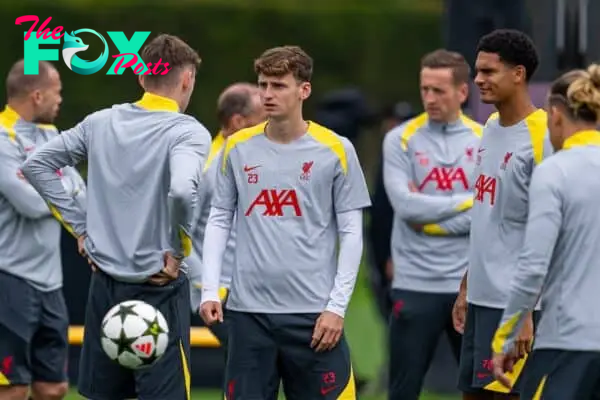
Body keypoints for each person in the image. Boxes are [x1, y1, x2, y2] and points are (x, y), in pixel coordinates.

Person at [21, 34, 211, 400]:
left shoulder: (100, 122)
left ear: (141, 77)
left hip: (104, 287)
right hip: (159, 287)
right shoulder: (187, 131)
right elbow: (183, 192)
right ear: (187, 79)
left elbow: (37, 164)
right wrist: (178, 250)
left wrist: (81, 227)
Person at [199, 45, 371, 399]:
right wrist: (209, 288)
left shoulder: (336, 149)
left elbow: (352, 233)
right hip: (248, 315)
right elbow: (219, 218)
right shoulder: (238, 146)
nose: (267, 94)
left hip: (313, 316)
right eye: (263, 85)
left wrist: (336, 308)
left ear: (303, 90)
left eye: (278, 85)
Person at [453, 29, 553, 399]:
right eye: (477, 71)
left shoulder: (543, 136)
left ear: (519, 74)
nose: (478, 79)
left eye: (488, 71)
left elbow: (548, 230)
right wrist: (467, 283)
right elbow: (488, 217)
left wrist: (527, 310)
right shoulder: (492, 128)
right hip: (482, 300)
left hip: (517, 305)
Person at [492, 65, 600, 400]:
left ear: (555, 115)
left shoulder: (555, 172)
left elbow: (533, 266)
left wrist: (504, 339)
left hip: (568, 342)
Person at [382, 49, 482, 400]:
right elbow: (406, 208)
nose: (429, 98)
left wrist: (429, 219)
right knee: (403, 391)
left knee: (481, 390)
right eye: (425, 89)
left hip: (468, 286)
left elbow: (487, 214)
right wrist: (468, 200)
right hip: (414, 283)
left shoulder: (484, 139)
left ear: (462, 92)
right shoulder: (399, 139)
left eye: (439, 90)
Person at [0, 59, 86, 400]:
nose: (60, 100)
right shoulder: (2, 139)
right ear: (37, 95)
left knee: (54, 388)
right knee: (12, 388)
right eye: (57, 93)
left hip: (51, 283)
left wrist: (54, 186)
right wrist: (64, 186)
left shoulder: (51, 135)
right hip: (9, 279)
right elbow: (31, 204)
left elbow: (85, 195)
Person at [188, 82, 265, 346]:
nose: (270, 125)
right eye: (263, 118)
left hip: (256, 292)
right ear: (238, 121)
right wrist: (212, 289)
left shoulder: (253, 160)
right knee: (250, 368)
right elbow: (177, 234)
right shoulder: (208, 167)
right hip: (225, 297)